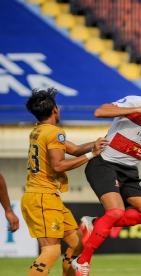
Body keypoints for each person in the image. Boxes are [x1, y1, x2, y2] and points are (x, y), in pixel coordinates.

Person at [72, 74, 141, 276]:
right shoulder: (136, 101)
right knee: (116, 212)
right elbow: (100, 111)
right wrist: (138, 109)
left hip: (128, 171)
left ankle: (94, 222)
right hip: (104, 164)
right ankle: (82, 261)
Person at [21, 88, 106, 276]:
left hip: (47, 197)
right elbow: (58, 165)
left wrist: (98, 143)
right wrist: (92, 155)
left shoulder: (38, 131)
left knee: (78, 243)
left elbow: (74, 149)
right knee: (51, 251)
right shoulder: (54, 133)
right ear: (55, 110)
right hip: (42, 198)